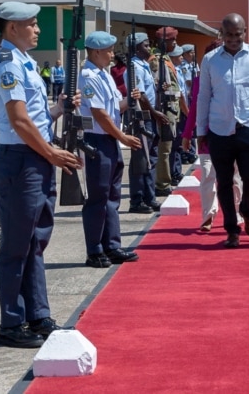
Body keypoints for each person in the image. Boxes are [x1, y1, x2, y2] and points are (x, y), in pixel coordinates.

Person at [0, 1, 82, 348]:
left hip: (34, 157)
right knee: (15, 245)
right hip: (21, 159)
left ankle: (37, 315)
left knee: (35, 241)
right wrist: (52, 152)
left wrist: (60, 108)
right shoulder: (7, 64)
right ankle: (12, 322)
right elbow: (19, 121)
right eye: (32, 23)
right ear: (12, 28)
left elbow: (36, 118)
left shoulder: (25, 63)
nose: (38, 29)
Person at [194, 13, 249, 249]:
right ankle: (232, 229)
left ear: (244, 32)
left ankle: (247, 210)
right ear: (222, 34)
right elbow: (203, 97)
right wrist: (201, 129)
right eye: (228, 35)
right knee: (224, 181)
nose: (233, 39)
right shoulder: (210, 59)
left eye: (237, 34)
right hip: (219, 129)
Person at [78, 30, 144, 268]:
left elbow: (114, 108)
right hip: (98, 140)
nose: (112, 54)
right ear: (96, 51)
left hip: (110, 139)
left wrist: (131, 100)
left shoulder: (102, 75)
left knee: (111, 197)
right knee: (98, 198)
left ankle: (111, 245)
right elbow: (99, 113)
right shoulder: (89, 76)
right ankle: (94, 249)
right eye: (109, 50)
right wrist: (123, 137)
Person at [183, 40, 243, 232]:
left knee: (234, 177)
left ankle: (237, 212)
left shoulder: (236, 76)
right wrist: (187, 134)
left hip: (233, 134)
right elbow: (194, 109)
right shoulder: (200, 80)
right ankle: (208, 215)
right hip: (207, 136)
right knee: (208, 176)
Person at [124, 32, 162, 214]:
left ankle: (149, 196)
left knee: (151, 158)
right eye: (146, 45)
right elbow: (140, 94)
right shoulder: (134, 67)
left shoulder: (143, 66)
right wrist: (154, 113)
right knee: (140, 159)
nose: (149, 48)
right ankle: (137, 199)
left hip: (150, 116)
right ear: (136, 47)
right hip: (142, 116)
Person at [152, 27, 186, 192]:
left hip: (171, 107)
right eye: (173, 40)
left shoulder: (166, 59)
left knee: (169, 147)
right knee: (164, 149)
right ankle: (162, 184)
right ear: (164, 42)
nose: (175, 43)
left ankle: (164, 180)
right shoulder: (156, 60)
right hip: (164, 108)